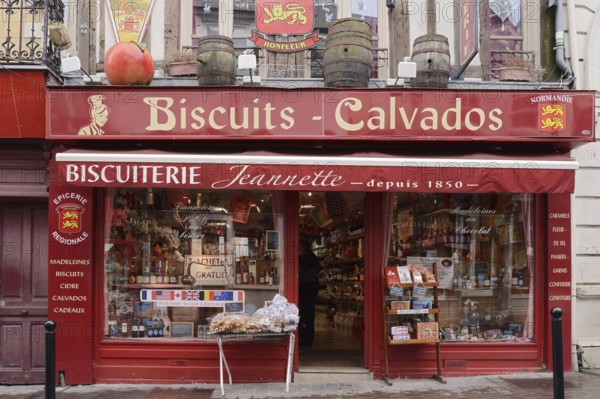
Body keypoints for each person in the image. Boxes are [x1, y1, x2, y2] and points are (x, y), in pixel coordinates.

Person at [298, 239, 320, 346]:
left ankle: (306, 339)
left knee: (304, 314)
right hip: (311, 287)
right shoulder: (312, 256)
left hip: (306, 288)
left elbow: (302, 274)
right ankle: (308, 339)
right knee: (309, 314)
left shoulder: (305, 257)